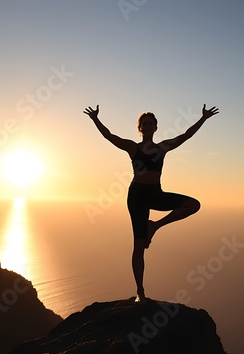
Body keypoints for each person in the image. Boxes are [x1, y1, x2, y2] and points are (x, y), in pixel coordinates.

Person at [83, 104, 219, 303]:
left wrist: (203, 118)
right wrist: (95, 119)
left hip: (155, 193)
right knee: (138, 246)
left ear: (156, 128)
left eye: (151, 124)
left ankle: (154, 225)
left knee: (193, 205)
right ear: (140, 128)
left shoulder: (162, 147)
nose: (147, 126)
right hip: (137, 196)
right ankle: (140, 292)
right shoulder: (133, 147)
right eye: (144, 124)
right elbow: (110, 136)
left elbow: (185, 135)